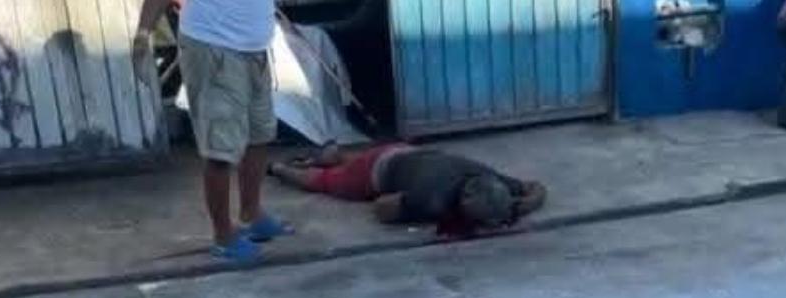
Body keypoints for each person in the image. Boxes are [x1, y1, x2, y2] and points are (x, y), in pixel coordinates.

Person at [134, 0, 292, 261]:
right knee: (220, 149)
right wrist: (143, 33)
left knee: (259, 134)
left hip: (256, 48)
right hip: (213, 47)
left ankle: (252, 214)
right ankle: (223, 236)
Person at [269, 144, 547, 238]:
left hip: (410, 152)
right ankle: (280, 169)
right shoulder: (431, 199)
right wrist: (410, 210)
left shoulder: (490, 178)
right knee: (326, 182)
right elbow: (382, 207)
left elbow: (537, 188)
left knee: (355, 162)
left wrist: (526, 204)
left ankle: (334, 154)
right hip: (377, 170)